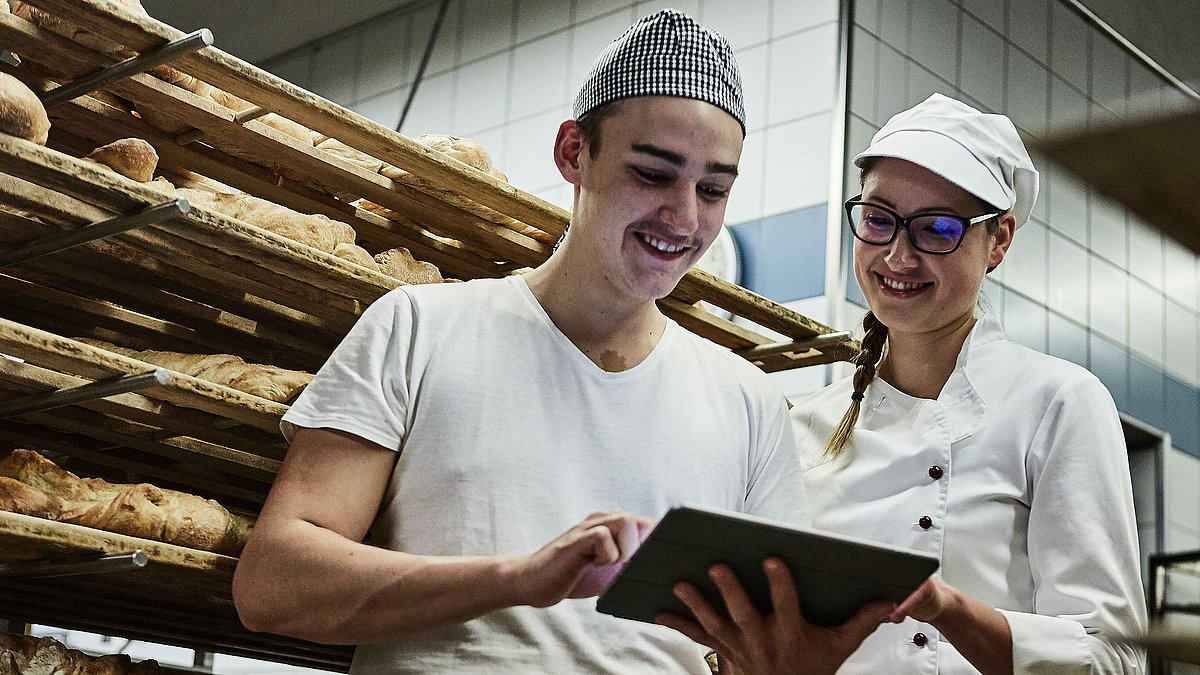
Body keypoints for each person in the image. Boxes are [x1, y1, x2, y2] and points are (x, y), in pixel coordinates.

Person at [232, 10, 885, 674]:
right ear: (573, 151)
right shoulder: (417, 328)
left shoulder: (747, 400)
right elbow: (273, 585)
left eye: (713, 189)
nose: (685, 217)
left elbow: (767, 648)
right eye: (654, 173)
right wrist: (517, 577)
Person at [783, 93, 1145, 673]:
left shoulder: (1056, 402)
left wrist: (946, 609)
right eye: (878, 220)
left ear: (998, 240)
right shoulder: (805, 426)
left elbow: (1113, 657)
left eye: (938, 229)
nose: (898, 256)